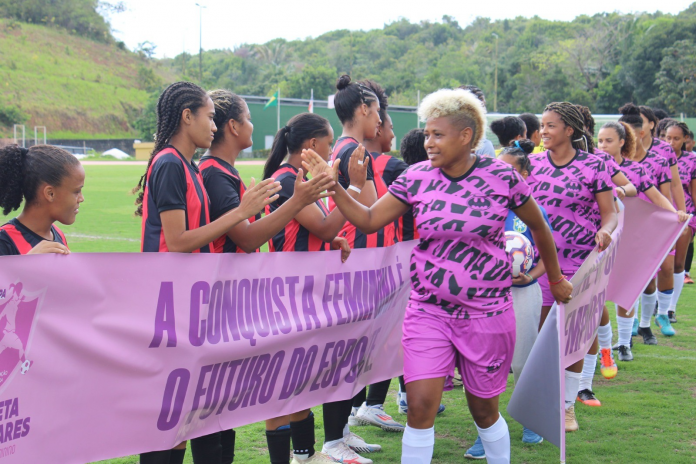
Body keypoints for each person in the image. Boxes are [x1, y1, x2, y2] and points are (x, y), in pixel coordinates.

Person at [302, 88, 571, 464]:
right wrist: (333, 185)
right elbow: (367, 218)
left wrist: (555, 279)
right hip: (429, 312)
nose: (428, 142)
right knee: (419, 407)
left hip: (487, 313)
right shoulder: (415, 178)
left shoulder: (502, 177)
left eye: (437, 135)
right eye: (426, 134)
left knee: (484, 411)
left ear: (466, 135)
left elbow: (540, 227)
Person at [133, 81, 280, 464]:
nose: (214, 126)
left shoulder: (188, 166)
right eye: (210, 116)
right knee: (171, 423)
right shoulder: (168, 163)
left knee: (198, 414)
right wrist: (240, 212)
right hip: (171, 304)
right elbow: (178, 241)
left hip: (192, 302)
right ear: (186, 116)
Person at [200, 91, 340, 464]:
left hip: (251, 294)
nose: (252, 125)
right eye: (247, 119)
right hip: (242, 297)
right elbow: (246, 238)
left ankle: (303, 455)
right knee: (246, 398)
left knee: (284, 388)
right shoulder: (214, 172)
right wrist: (347, 188)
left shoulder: (223, 171)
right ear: (232, 127)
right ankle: (299, 455)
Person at [264, 112, 377, 464]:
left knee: (302, 383)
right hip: (291, 296)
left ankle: (304, 454)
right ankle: (294, 456)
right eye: (328, 144)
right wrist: (354, 186)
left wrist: (333, 243)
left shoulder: (295, 176)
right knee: (286, 387)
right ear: (312, 144)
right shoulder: (287, 179)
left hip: (309, 293)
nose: (330, 152)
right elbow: (325, 226)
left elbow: (315, 234)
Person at [526, 102, 618, 432]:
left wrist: (606, 230)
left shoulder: (594, 166)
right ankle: (541, 402)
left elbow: (610, 212)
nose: (544, 131)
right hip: (539, 265)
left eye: (551, 125)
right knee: (539, 340)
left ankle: (567, 407)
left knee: (573, 337)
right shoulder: (532, 164)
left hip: (581, 263)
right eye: (542, 125)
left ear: (569, 130)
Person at [465, 139, 549, 460]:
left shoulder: (532, 208)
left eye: (508, 168)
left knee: (522, 361)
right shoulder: (482, 205)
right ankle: (484, 433)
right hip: (487, 297)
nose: (499, 173)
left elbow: (547, 249)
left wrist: (533, 275)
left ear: (525, 174)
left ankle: (530, 420)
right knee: (485, 365)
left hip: (524, 292)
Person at [618, 104, 679, 344]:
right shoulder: (612, 164)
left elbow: (664, 195)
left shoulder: (657, 160)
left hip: (650, 227)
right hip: (624, 227)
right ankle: (629, 326)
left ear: (638, 133)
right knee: (629, 278)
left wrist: (674, 217)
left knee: (652, 275)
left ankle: (648, 323)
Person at [0, 144, 82, 257]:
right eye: (76, 191)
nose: (81, 199)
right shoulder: (4, 241)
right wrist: (27, 263)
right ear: (50, 194)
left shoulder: (57, 234)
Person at [664, 121, 696, 324]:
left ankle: (671, 308)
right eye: (668, 138)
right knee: (661, 265)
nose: (671, 142)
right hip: (663, 216)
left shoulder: (692, 161)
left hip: (686, 216)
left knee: (678, 264)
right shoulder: (658, 159)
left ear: (685, 139)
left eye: (676, 138)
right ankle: (660, 302)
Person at [459, 85, 496, 157]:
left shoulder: (484, 146)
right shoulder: (484, 145)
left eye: (484, 106)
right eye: (481, 106)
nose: (484, 111)